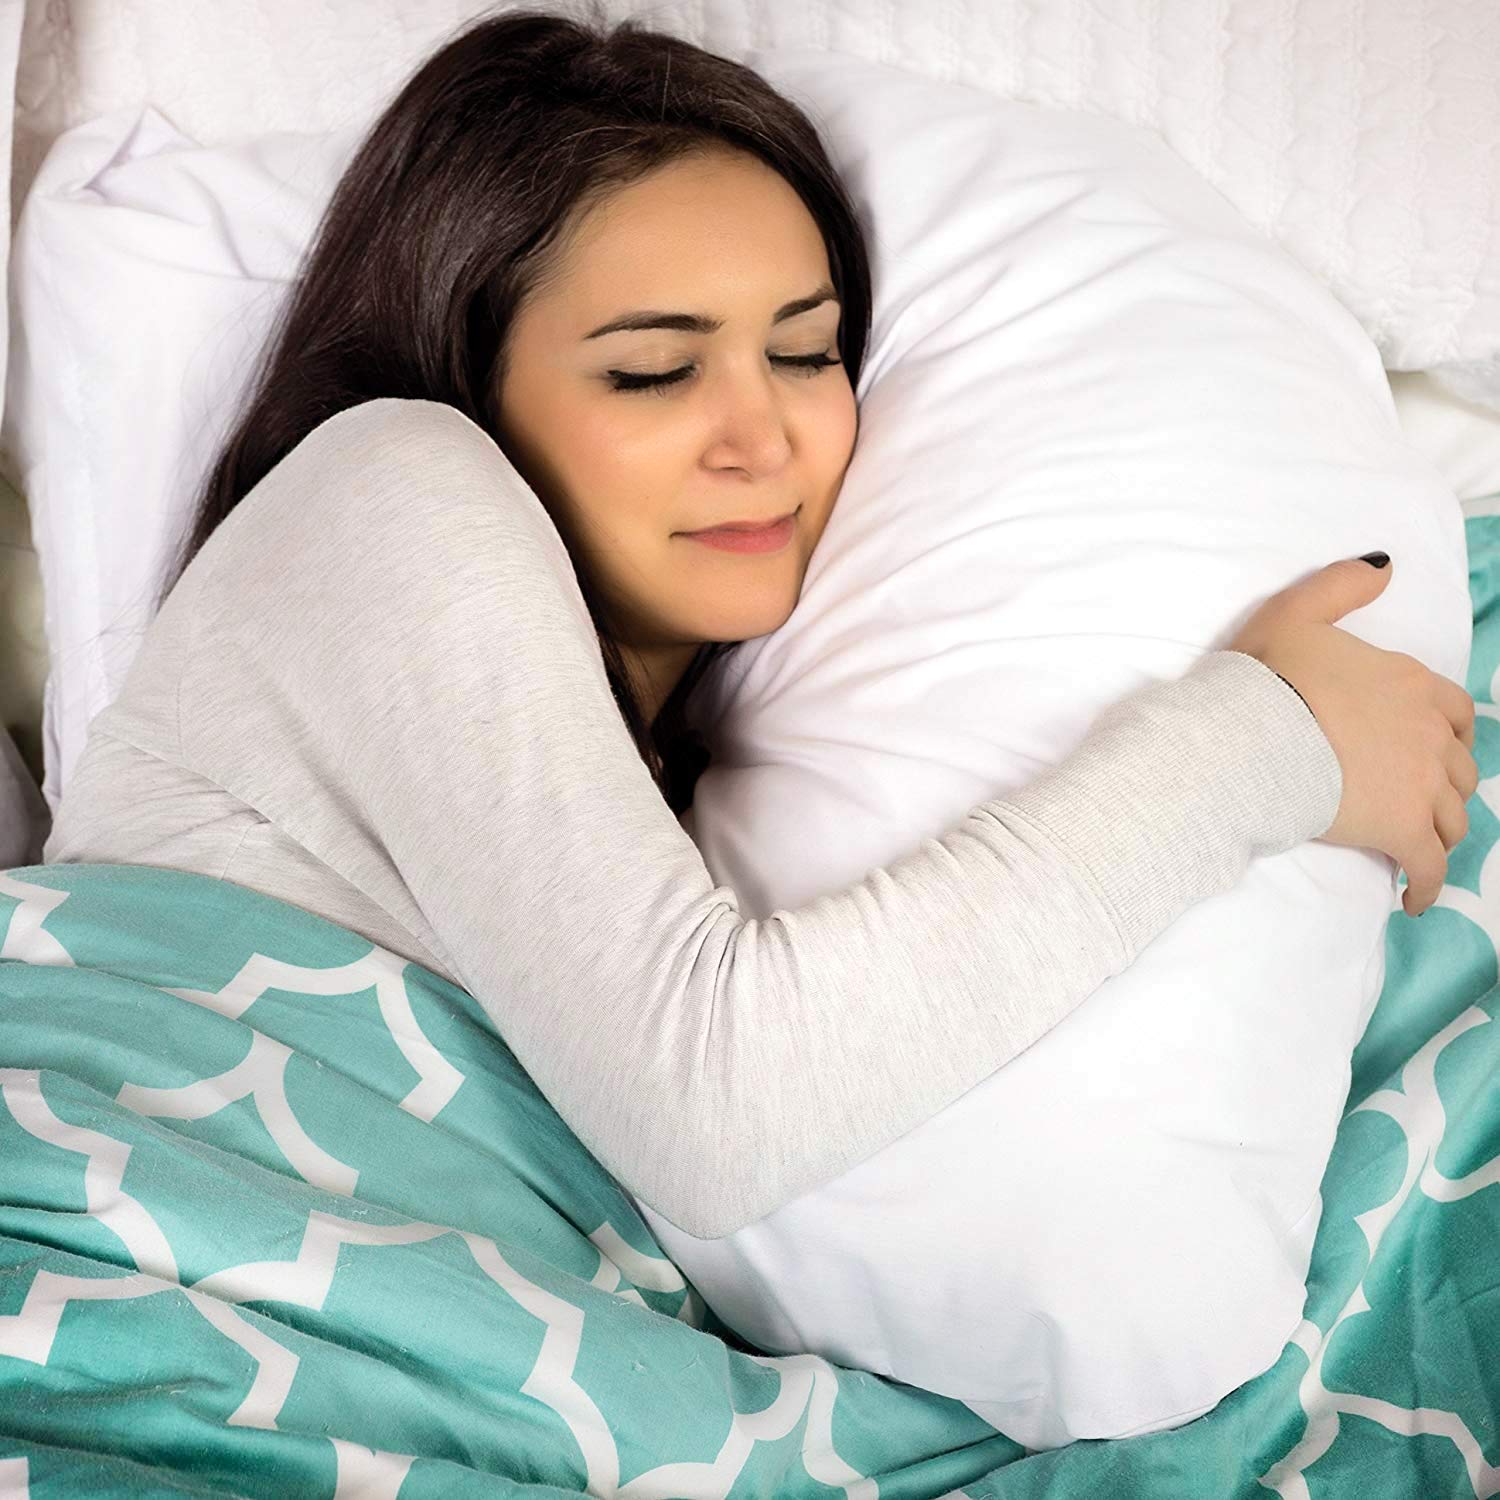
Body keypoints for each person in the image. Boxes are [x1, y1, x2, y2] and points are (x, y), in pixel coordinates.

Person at [45, 5, 1476, 1241]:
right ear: (466, 372)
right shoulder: (392, 483)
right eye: (655, 372)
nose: (765, 438)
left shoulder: (679, 757)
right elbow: (717, 1111)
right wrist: (1262, 744)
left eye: (804, 351)